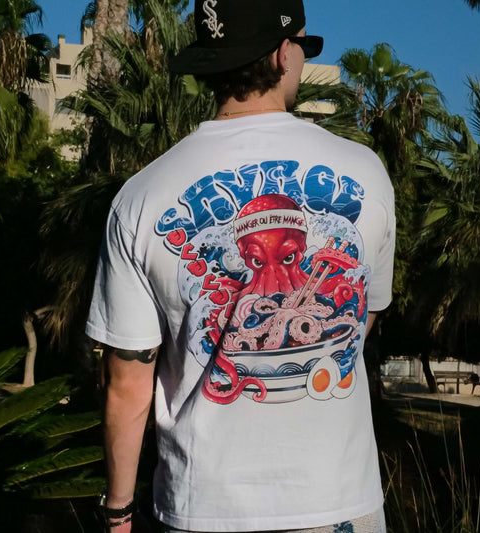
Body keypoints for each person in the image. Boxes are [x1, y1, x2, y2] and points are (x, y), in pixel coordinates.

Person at [86, 0, 395, 532]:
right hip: (340, 501)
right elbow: (359, 323)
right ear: (283, 54)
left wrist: (118, 511)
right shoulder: (366, 174)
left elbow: (127, 382)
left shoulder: (140, 197)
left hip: (201, 509)